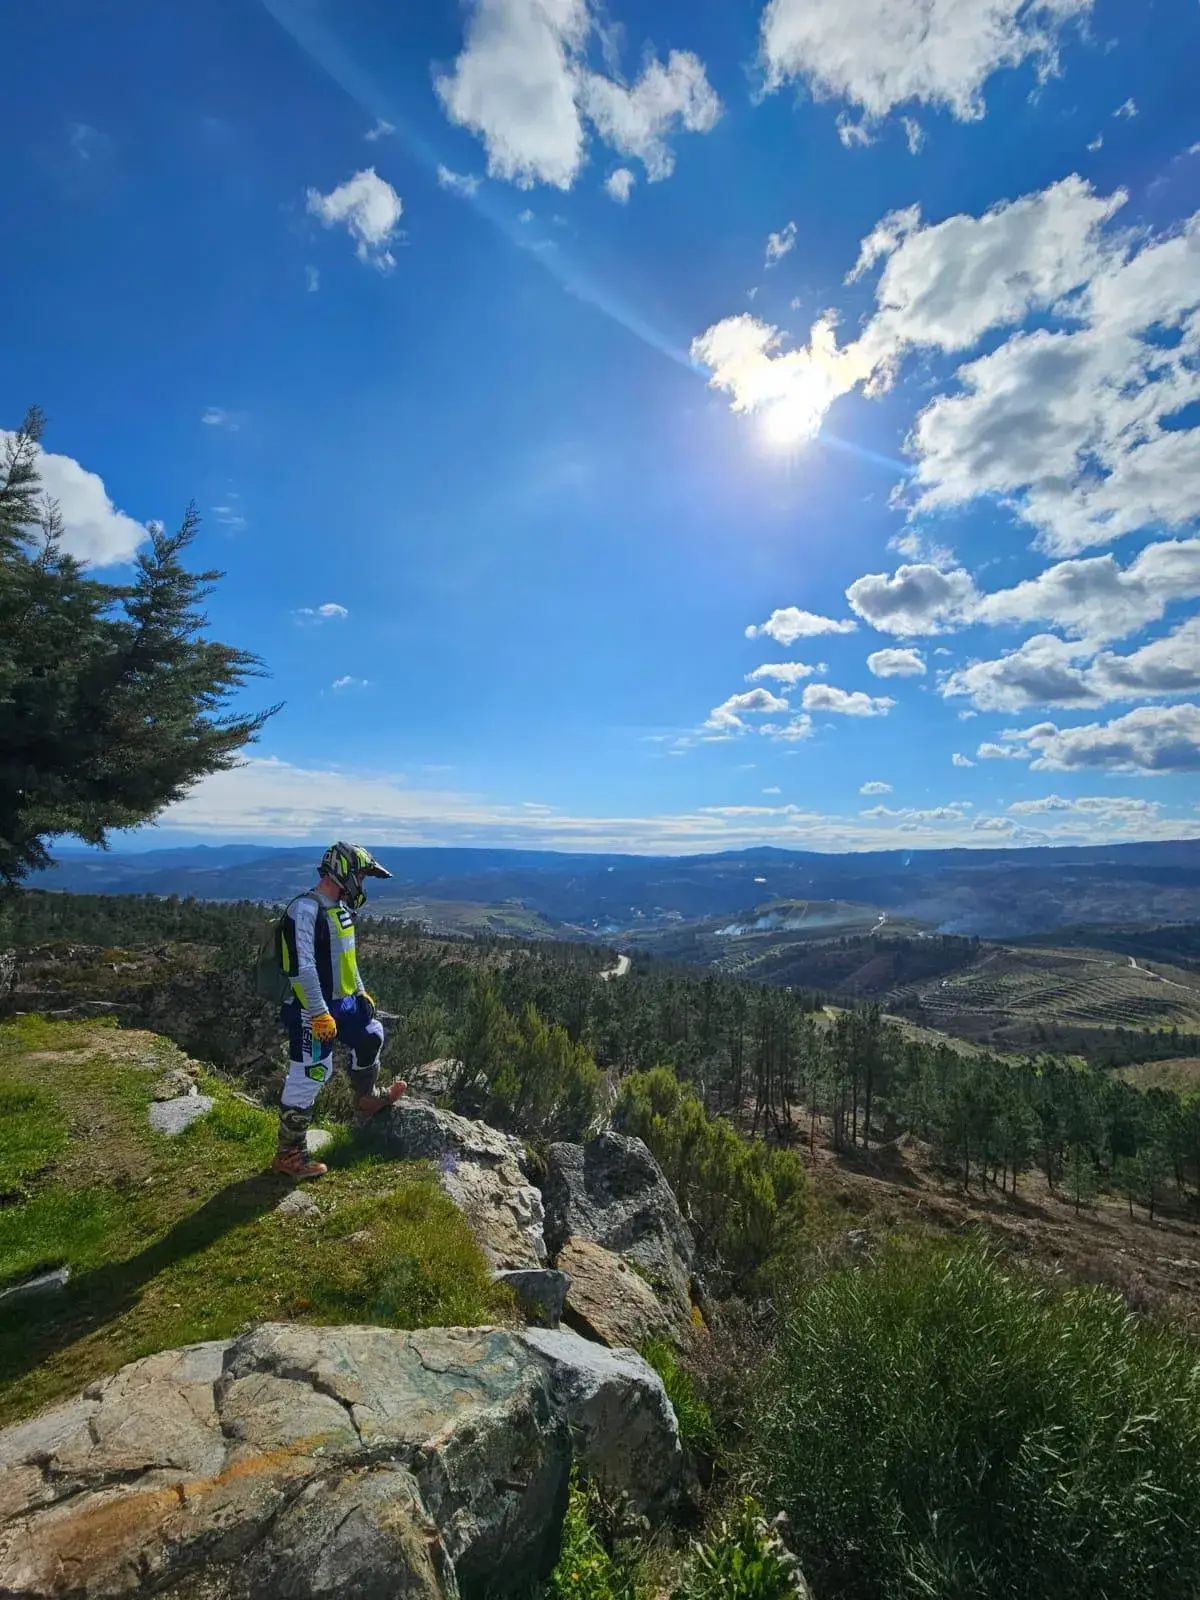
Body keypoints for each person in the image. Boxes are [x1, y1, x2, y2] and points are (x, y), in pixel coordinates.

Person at [272, 841, 406, 1179]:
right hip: (309, 1007)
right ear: (344, 871)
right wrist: (318, 1012)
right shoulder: (304, 910)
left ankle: (366, 1100)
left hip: (342, 1002)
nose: (363, 883)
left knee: (370, 1035)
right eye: (362, 875)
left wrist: (361, 993)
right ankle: (289, 1154)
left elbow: (346, 958)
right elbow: (301, 967)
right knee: (313, 1072)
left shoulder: (341, 909)